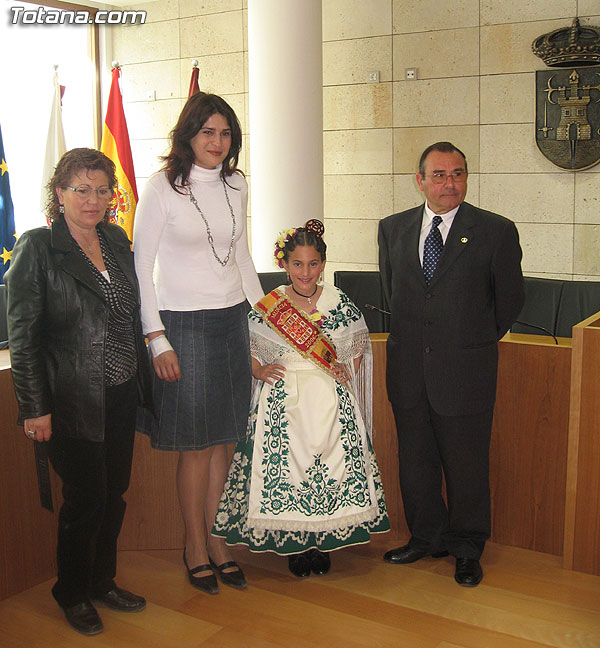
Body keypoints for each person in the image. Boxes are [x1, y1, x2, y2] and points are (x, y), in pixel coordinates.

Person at [5, 148, 153, 635]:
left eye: (102, 189)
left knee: (115, 494)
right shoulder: (38, 248)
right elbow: (23, 338)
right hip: (70, 400)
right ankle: (70, 591)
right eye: (80, 189)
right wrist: (34, 408)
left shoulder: (114, 238)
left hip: (120, 391)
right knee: (85, 498)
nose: (93, 199)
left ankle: (101, 580)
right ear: (59, 193)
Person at [133, 92, 264, 594]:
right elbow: (142, 268)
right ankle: (193, 545)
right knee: (195, 446)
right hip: (181, 326)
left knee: (224, 441)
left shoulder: (237, 183)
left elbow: (244, 259)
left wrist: (265, 322)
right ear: (188, 135)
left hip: (231, 320)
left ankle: (217, 541)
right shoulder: (162, 187)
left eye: (225, 133)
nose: (217, 142)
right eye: (207, 132)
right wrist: (156, 338)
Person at [378, 142, 524, 587]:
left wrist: (467, 343)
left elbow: (509, 302)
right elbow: (393, 294)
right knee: (416, 461)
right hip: (407, 370)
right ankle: (427, 537)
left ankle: (466, 547)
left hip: (466, 373)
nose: (450, 183)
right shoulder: (392, 228)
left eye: (457, 173)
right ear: (419, 180)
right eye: (439, 175)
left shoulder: (495, 231)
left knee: (466, 466)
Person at [213, 220, 389, 578]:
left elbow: (356, 347)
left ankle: (321, 541)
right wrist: (258, 371)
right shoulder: (270, 305)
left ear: (323, 264)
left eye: (312, 264)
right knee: (290, 469)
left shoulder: (339, 302)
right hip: (284, 398)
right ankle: (295, 540)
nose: (305, 272)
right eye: (298, 264)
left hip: (330, 398)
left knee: (327, 466)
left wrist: (345, 372)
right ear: (285, 264)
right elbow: (245, 344)